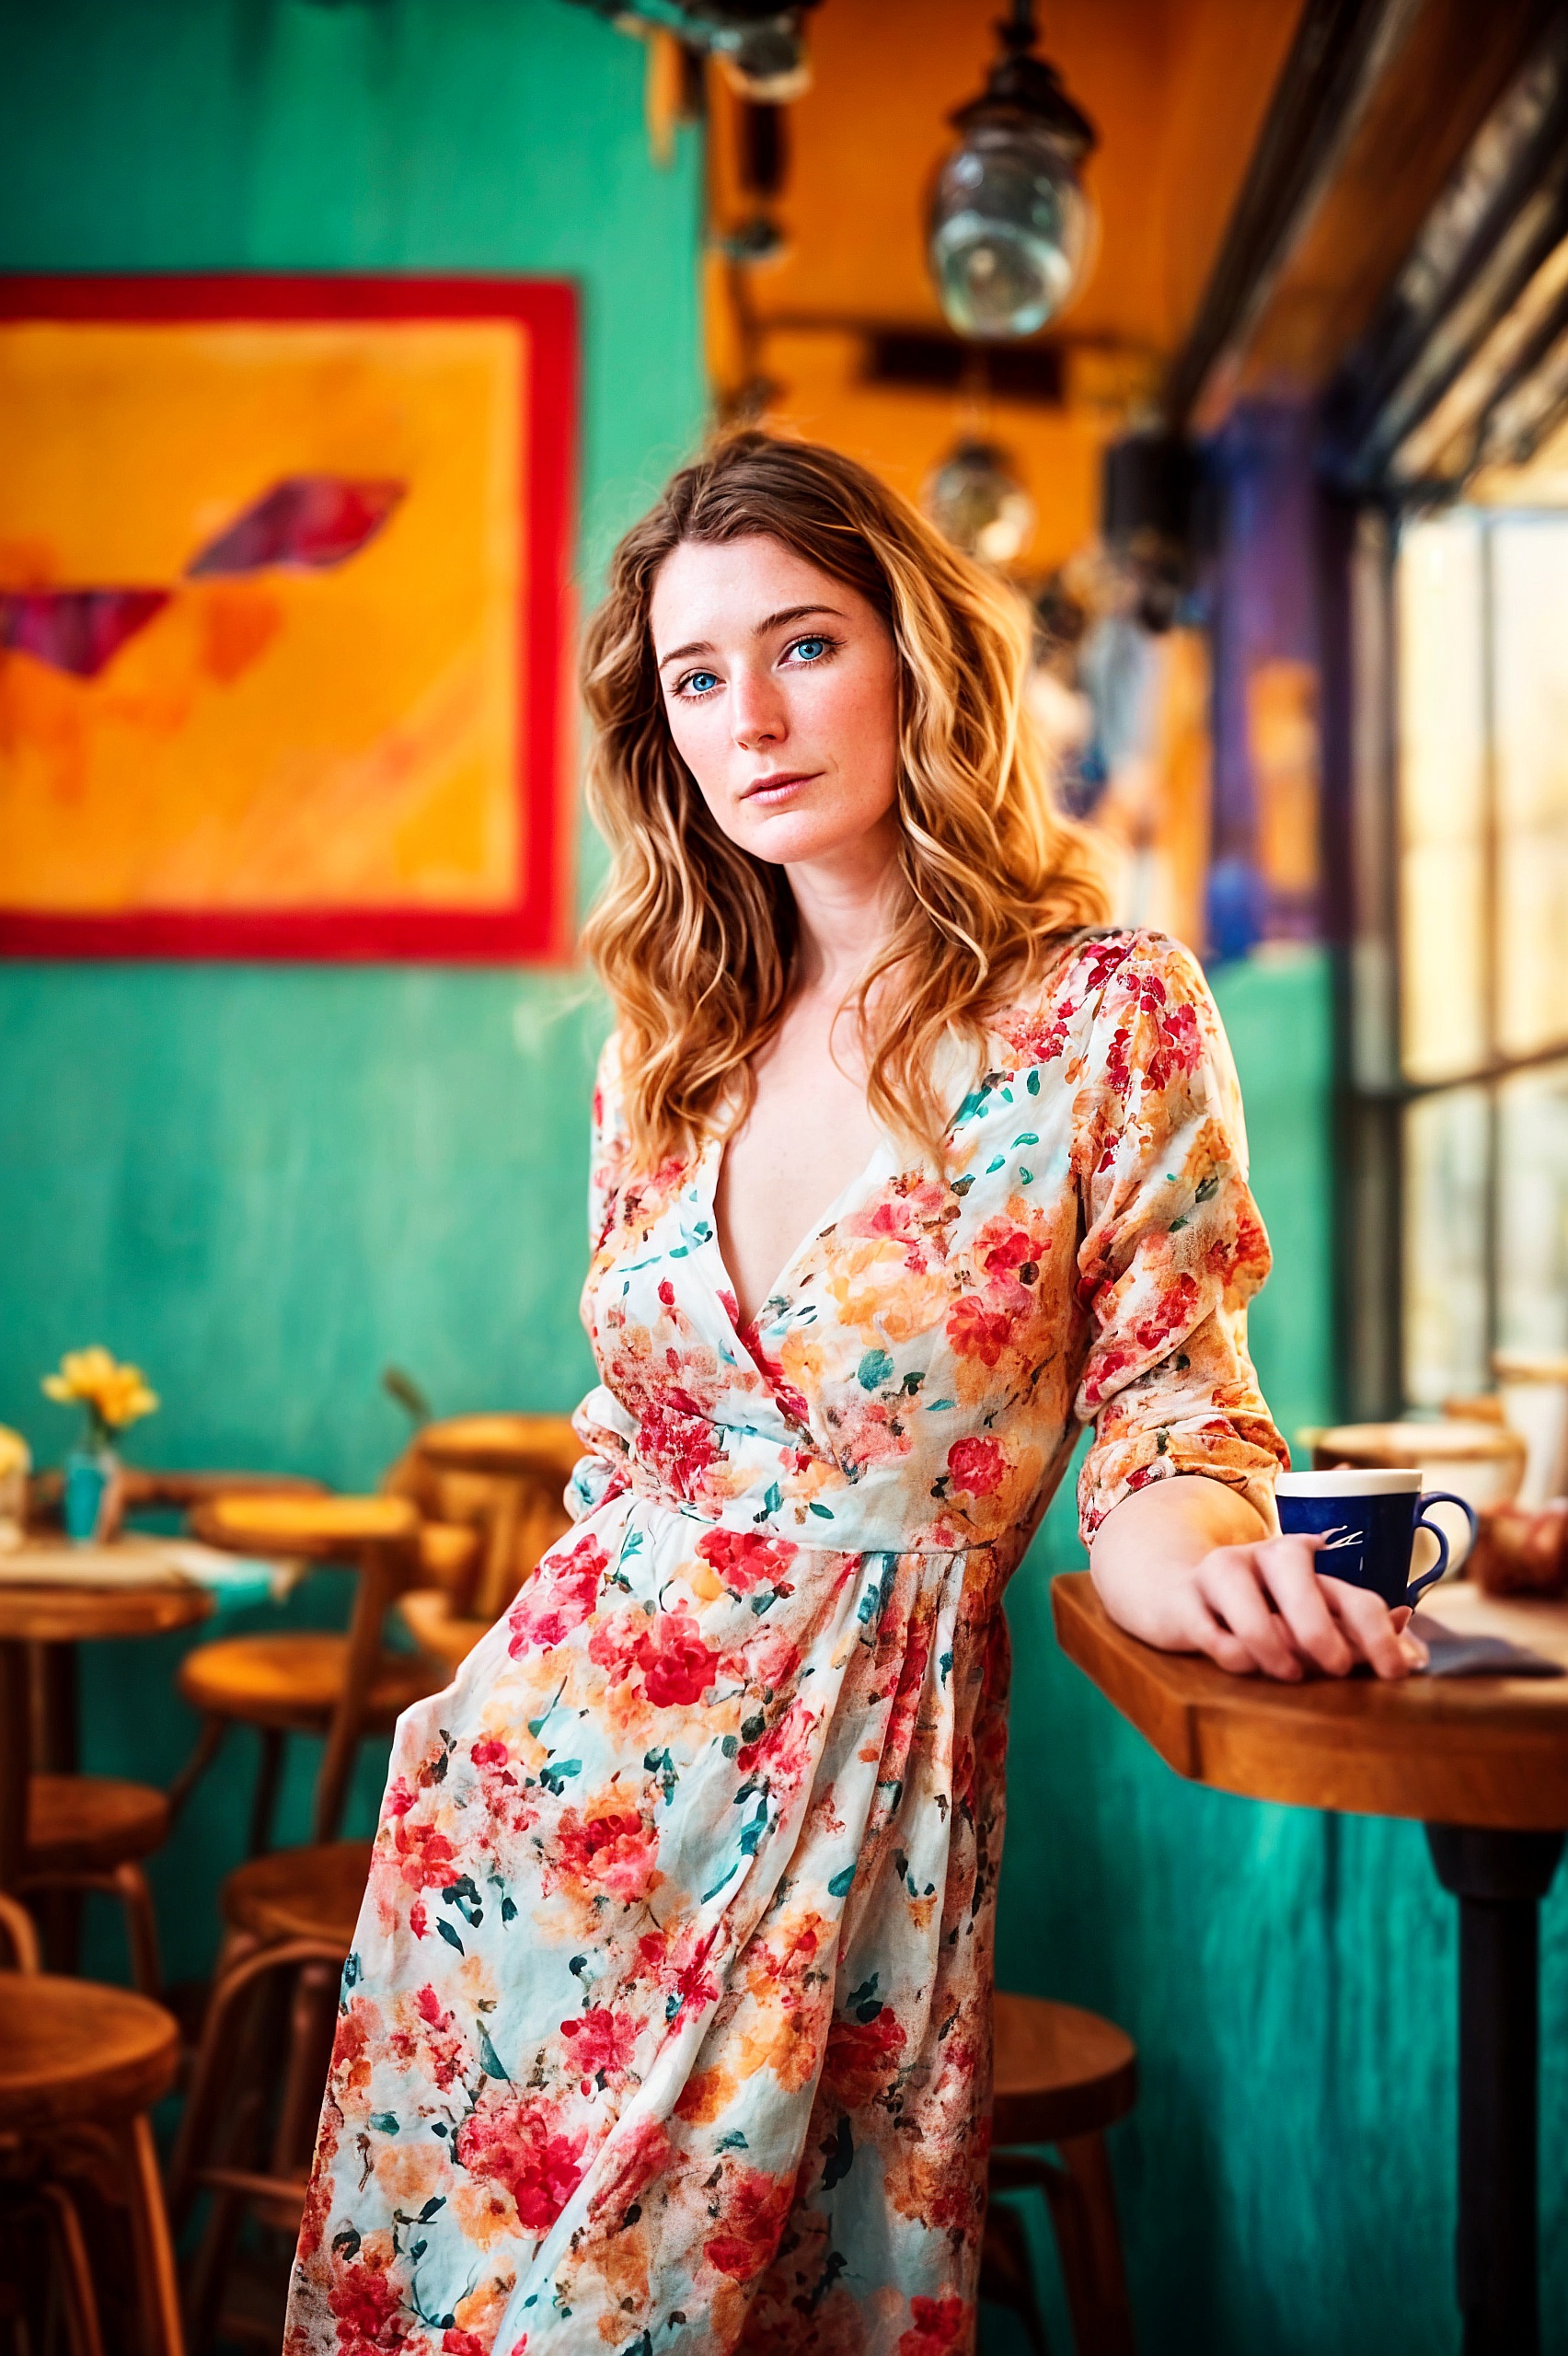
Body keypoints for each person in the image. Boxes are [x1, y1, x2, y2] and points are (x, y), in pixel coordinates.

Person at [283, 433, 1424, 2356]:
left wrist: (1209, 1560)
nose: (751, 716)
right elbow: (635, 1448)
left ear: (913, 654)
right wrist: (475, 1705)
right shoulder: (672, 1043)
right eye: (698, 677)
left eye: (802, 644)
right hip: (530, 1822)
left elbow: (1168, 1407)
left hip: (838, 1823)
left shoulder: (1103, 1015)